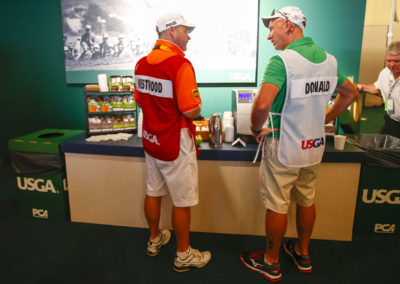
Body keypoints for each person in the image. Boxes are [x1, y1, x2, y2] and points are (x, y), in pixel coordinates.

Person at [240, 6, 359, 282]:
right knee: (307, 198)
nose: (269, 36)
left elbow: (263, 103)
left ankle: (271, 261)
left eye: (272, 28)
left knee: (277, 203)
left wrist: (255, 128)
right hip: (313, 146)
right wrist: (325, 118)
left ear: (290, 26)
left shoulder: (281, 62)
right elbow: (350, 94)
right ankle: (302, 253)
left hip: (284, 146)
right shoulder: (329, 61)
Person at [134, 13, 211, 272]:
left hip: (151, 137)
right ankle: (183, 255)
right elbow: (191, 110)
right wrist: (198, 107)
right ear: (170, 32)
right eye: (184, 30)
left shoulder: (141, 64)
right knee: (182, 200)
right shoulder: (180, 64)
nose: (188, 36)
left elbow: (139, 100)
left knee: (153, 190)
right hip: (175, 140)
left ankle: (155, 239)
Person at [357, 41, 400, 138]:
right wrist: (362, 87)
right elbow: (378, 88)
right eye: (388, 61)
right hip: (391, 119)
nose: (392, 65)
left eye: (397, 61)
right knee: (380, 148)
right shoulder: (385, 72)